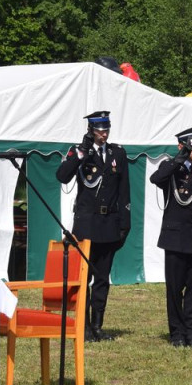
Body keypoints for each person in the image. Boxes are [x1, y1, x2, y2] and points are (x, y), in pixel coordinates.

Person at [55, 110, 130, 342]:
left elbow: (124, 190)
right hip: (86, 224)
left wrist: (124, 223)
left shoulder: (117, 152)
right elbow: (62, 176)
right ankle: (84, 326)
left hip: (109, 223)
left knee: (102, 277)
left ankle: (98, 325)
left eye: (106, 129)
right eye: (99, 130)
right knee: (83, 277)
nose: (104, 134)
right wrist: (81, 153)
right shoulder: (79, 152)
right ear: (91, 131)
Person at [150, 127, 192, 348]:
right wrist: (178, 160)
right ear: (181, 146)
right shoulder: (171, 168)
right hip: (176, 238)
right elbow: (156, 179)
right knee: (175, 288)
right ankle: (177, 333)